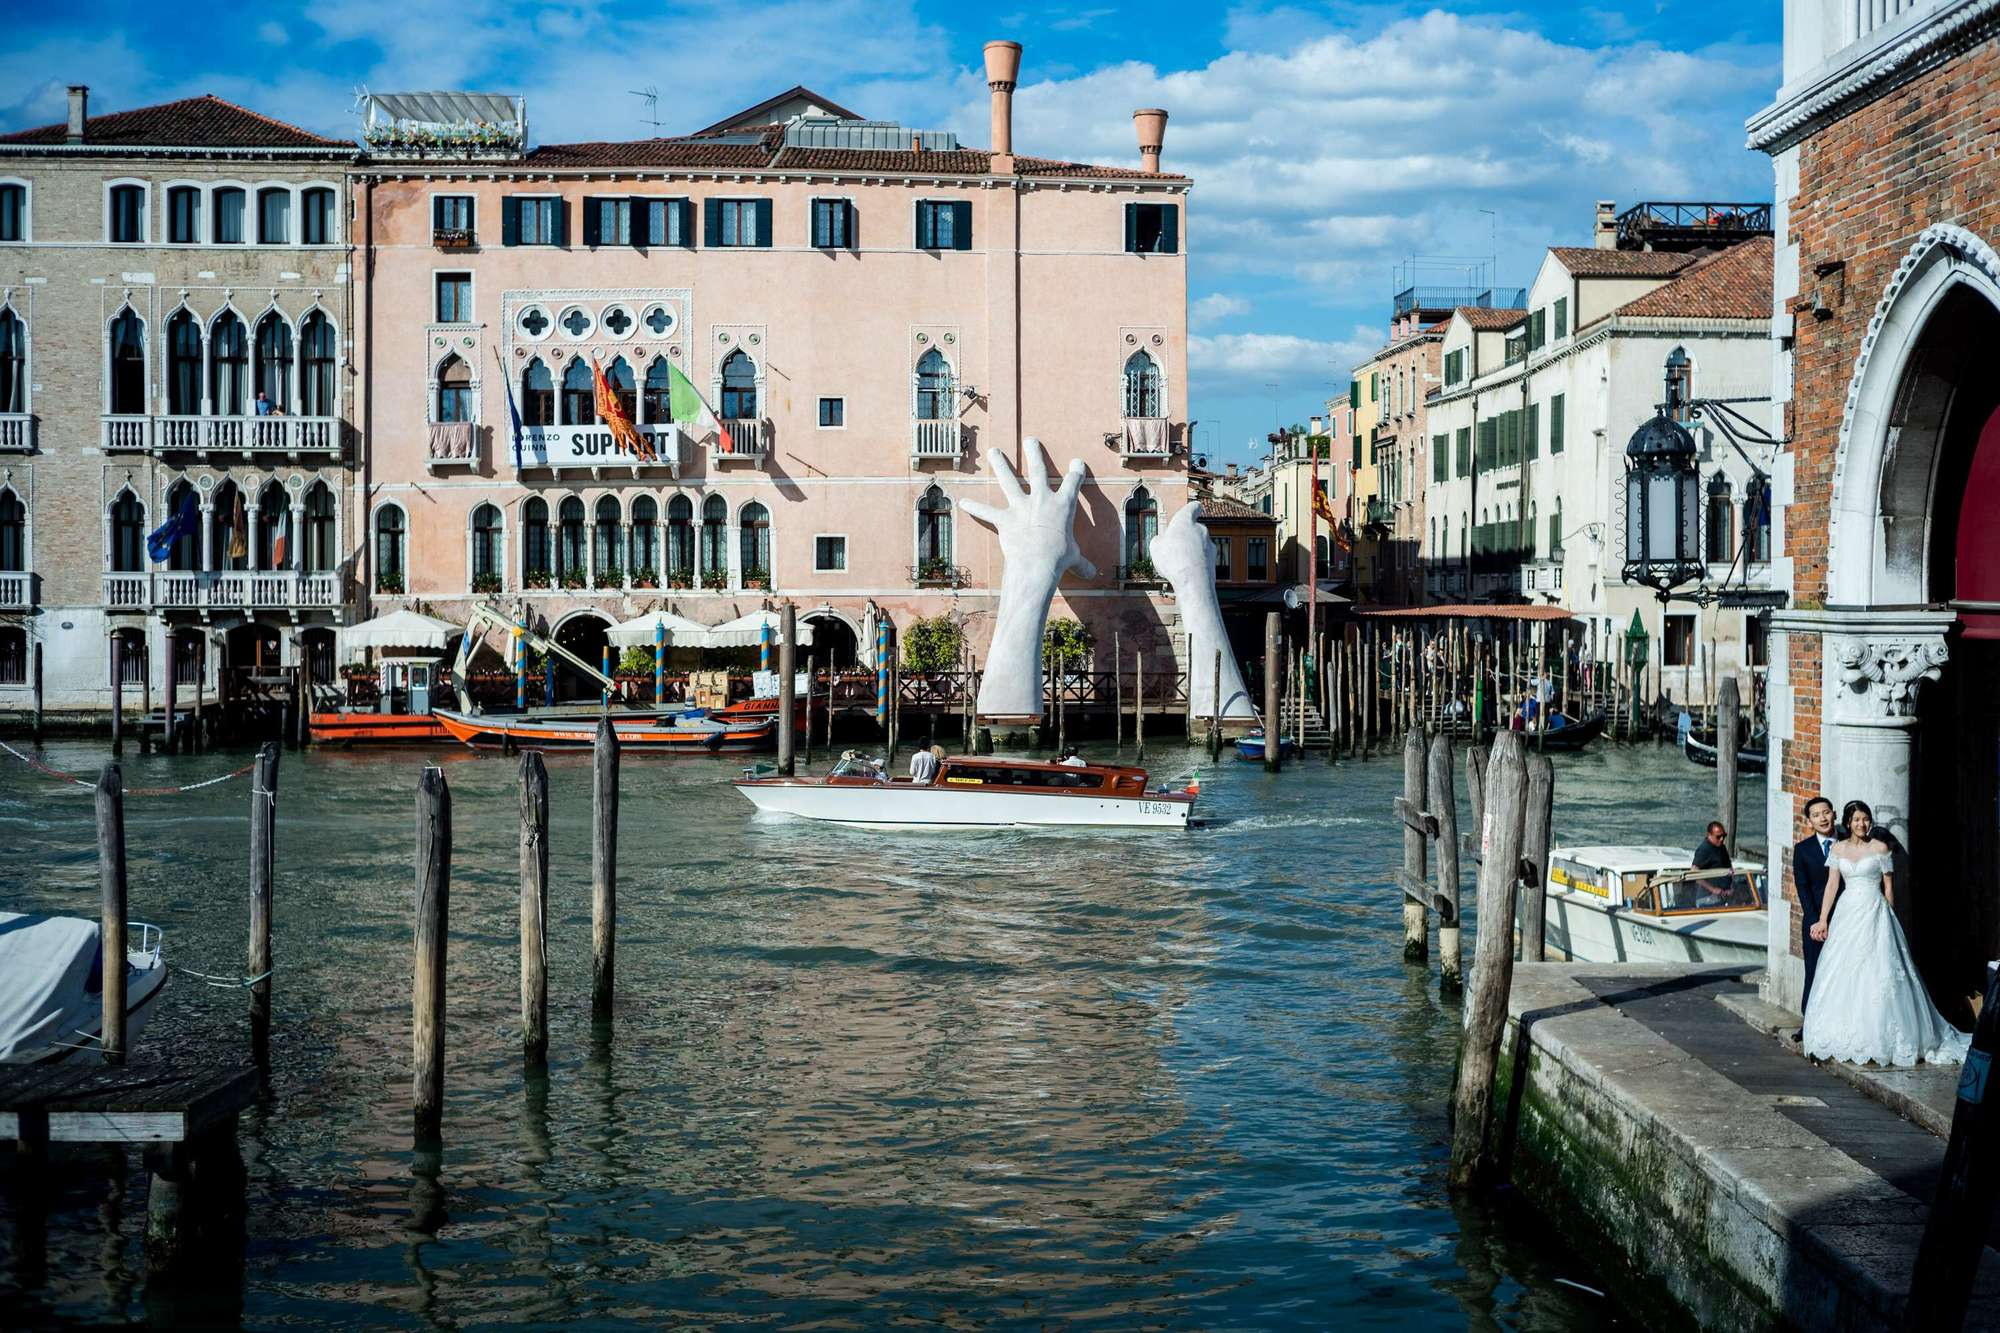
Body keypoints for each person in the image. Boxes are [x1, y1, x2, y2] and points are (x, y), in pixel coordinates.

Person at [1801, 800, 1971, 1066]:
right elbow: (1833, 885)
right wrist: (1823, 919)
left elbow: (1888, 888)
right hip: (1847, 912)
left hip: (1874, 910)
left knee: (1878, 969)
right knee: (1844, 970)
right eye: (1856, 819)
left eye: (1865, 819)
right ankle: (1842, 1031)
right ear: (1848, 823)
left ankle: (1883, 1035)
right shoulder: (1838, 849)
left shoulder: (1880, 848)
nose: (1862, 824)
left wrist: (1889, 917)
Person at [1790, 795, 1838, 1016]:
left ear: (1834, 814)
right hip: (1816, 920)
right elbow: (1803, 888)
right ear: (1809, 822)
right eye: (1817, 815)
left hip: (1847, 917)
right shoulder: (1803, 850)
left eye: (1826, 813)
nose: (1823, 818)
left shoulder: (1848, 843)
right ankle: (1808, 1023)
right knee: (1814, 971)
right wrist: (1816, 921)